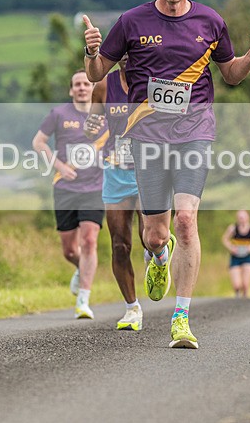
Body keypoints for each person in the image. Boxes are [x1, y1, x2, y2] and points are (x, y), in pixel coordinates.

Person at [82, 0, 250, 349]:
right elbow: (98, 72)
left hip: (195, 132)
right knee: (153, 233)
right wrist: (92, 51)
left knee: (186, 220)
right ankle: (159, 254)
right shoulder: (131, 22)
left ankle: (181, 318)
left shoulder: (210, 21)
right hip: (147, 138)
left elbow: (232, 75)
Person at [32, 70, 107, 320]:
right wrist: (60, 167)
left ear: (92, 88)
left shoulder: (104, 116)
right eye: (77, 84)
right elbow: (38, 143)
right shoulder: (59, 114)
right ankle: (80, 269)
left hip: (95, 188)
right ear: (71, 90)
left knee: (89, 241)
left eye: (86, 84)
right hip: (64, 188)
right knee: (70, 251)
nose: (82, 88)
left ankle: (84, 299)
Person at [84, 54, 149, 331]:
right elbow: (92, 126)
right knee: (120, 244)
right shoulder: (103, 86)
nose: (125, 54)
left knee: (151, 237)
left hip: (150, 167)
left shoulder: (152, 81)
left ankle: (157, 255)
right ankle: (132, 308)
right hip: (116, 169)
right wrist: (90, 128)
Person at [221, 210, 250, 298]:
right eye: (239, 217)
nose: (241, 219)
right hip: (235, 257)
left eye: (243, 217)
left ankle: (245, 299)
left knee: (245, 285)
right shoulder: (233, 228)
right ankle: (237, 295)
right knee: (237, 285)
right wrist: (231, 247)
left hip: (247, 257)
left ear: (248, 217)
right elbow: (224, 239)